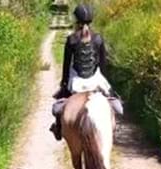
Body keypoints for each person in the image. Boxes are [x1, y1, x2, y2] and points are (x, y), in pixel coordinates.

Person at [50, 4, 122, 141]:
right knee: (113, 101)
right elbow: (102, 65)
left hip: (77, 82)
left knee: (61, 105)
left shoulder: (71, 39)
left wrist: (64, 84)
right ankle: (115, 127)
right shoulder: (98, 39)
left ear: (76, 20)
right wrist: (105, 82)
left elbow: (66, 66)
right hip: (95, 80)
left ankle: (58, 128)